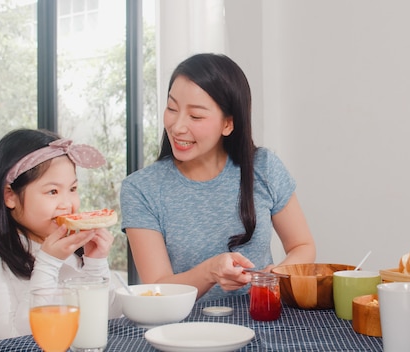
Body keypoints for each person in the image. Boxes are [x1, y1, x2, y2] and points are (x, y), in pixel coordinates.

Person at [120, 53, 316, 302]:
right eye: (172, 108)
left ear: (228, 124)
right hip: (183, 329)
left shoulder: (263, 167)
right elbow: (158, 289)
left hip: (262, 318)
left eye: (196, 116)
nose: (177, 126)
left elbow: (303, 246)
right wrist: (210, 271)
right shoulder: (141, 189)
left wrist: (276, 274)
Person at [0, 128, 122, 342]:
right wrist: (48, 263)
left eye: (72, 189)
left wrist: (96, 264)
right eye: (52, 192)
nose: (67, 204)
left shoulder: (72, 253)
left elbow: (104, 323)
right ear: (10, 196)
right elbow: (13, 341)